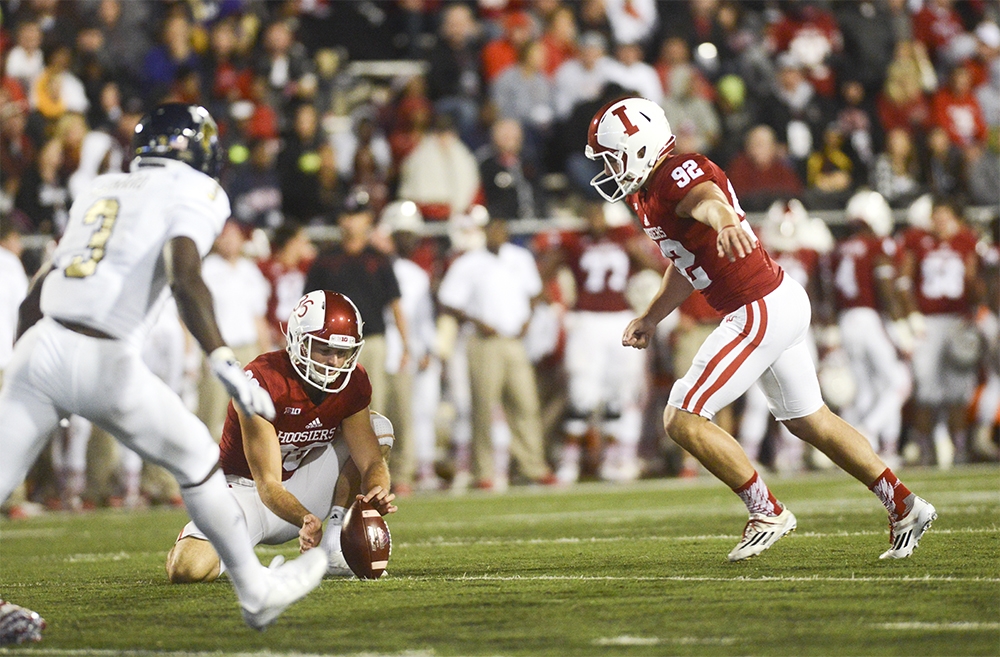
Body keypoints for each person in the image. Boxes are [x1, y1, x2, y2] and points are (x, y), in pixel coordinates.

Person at [0, 103, 326, 630]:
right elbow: (185, 273)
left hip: (42, 343)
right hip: (107, 356)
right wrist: (222, 357)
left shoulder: (103, 185)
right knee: (196, 459)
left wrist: (25, 370)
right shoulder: (195, 191)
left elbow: (36, 291)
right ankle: (256, 589)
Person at [588, 96, 936, 561]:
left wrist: (726, 219)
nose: (610, 167)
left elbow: (707, 200)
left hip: (758, 307)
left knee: (682, 415)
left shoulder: (676, 172)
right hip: (776, 300)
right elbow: (684, 261)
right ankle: (906, 505)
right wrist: (652, 315)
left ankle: (766, 510)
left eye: (613, 155)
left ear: (640, 145)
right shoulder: (646, 192)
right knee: (810, 420)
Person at [166, 290, 396, 581]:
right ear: (298, 341)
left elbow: (371, 460)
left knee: (380, 428)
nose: (335, 362)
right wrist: (304, 518)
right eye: (324, 349)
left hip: (303, 486)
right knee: (186, 569)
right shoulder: (263, 380)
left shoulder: (353, 382)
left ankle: (335, 546)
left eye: (342, 352)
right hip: (246, 493)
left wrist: (377, 490)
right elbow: (267, 483)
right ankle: (244, 562)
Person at [438, 218, 557, 489]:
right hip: (483, 341)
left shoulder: (520, 257)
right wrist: (476, 320)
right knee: (483, 407)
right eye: (492, 229)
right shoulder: (468, 263)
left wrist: (528, 319)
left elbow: (535, 291)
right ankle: (485, 472)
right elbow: (447, 300)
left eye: (501, 229)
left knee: (526, 404)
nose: (496, 234)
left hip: (514, 341)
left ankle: (532, 466)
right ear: (484, 233)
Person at [305, 189, 409, 419]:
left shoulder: (378, 260)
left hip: (371, 341)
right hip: (333, 346)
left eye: (357, 215)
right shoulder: (325, 261)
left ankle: (372, 455)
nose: (352, 222)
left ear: (368, 219)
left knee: (373, 405)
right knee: (332, 405)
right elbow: (309, 304)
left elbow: (395, 304)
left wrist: (405, 344)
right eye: (347, 216)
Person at [897, 198, 982, 465]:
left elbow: (973, 281)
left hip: (958, 320)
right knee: (926, 390)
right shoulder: (918, 240)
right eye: (938, 215)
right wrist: (911, 315)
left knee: (958, 390)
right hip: (929, 321)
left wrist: (975, 313)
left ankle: (959, 449)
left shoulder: (967, 241)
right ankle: (924, 449)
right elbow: (904, 280)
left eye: (946, 215)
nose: (941, 220)